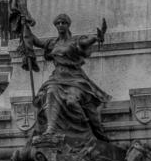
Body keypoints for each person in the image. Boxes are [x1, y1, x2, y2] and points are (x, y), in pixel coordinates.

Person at [17, 12, 110, 141]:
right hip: (57, 78)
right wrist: (25, 26)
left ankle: (87, 133)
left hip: (75, 78)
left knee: (71, 101)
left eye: (64, 23)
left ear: (68, 25)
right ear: (55, 26)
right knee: (50, 92)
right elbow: (36, 41)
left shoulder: (75, 41)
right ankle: (51, 129)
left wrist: (97, 37)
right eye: (58, 23)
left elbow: (86, 41)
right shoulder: (52, 43)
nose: (61, 25)